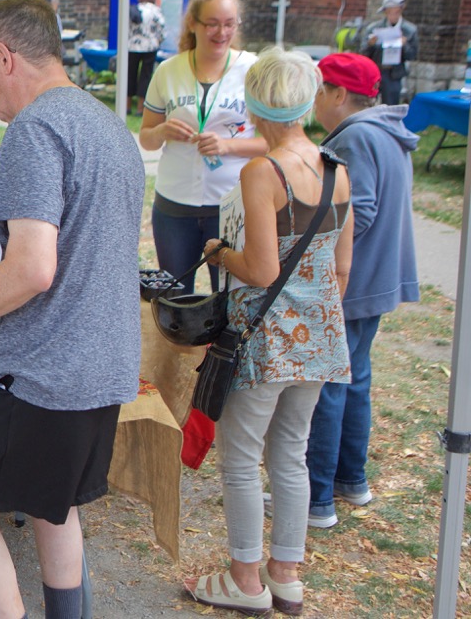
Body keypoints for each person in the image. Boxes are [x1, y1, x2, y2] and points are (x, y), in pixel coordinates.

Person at [0, 0, 144, 619]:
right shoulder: (109, 127)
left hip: (39, 370)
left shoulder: (36, 127)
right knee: (54, 506)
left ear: (6, 56)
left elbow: (34, 267)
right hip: (99, 366)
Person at [187, 48, 353, 616]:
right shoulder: (337, 168)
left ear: (254, 103)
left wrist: (218, 251)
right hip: (321, 336)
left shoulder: (265, 171)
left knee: (241, 457)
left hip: (267, 338)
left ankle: (244, 578)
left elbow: (261, 269)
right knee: (291, 454)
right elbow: (342, 267)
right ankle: (285, 573)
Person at [306, 53, 419, 528]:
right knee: (355, 380)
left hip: (353, 284)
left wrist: (311, 254)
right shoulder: (387, 131)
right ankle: (351, 480)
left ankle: (317, 500)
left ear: (336, 94)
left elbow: (360, 211)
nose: (314, 100)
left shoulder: (355, 136)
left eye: (317, 89)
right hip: (379, 280)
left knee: (330, 386)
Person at [139, 0, 265, 293]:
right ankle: (182, 345)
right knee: (176, 297)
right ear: (193, 24)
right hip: (175, 203)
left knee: (231, 298)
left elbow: (275, 142)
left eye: (229, 24)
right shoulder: (168, 71)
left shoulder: (254, 70)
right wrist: (161, 131)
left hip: (230, 201)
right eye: (212, 23)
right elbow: (146, 138)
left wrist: (229, 145)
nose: (221, 32)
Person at [357, 0, 419, 105]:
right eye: (389, 12)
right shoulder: (374, 28)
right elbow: (363, 53)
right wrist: (370, 44)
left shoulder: (409, 30)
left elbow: (412, 55)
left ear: (401, 10)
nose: (392, 15)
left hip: (393, 74)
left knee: (390, 105)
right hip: (375, 72)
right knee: (368, 104)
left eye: (395, 12)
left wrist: (404, 45)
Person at [128, 0, 166, 116]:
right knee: (145, 76)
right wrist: (158, 41)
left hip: (132, 46)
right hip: (150, 47)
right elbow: (162, 30)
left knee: (129, 75)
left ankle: (126, 106)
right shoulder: (156, 11)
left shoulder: (134, 9)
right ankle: (140, 108)